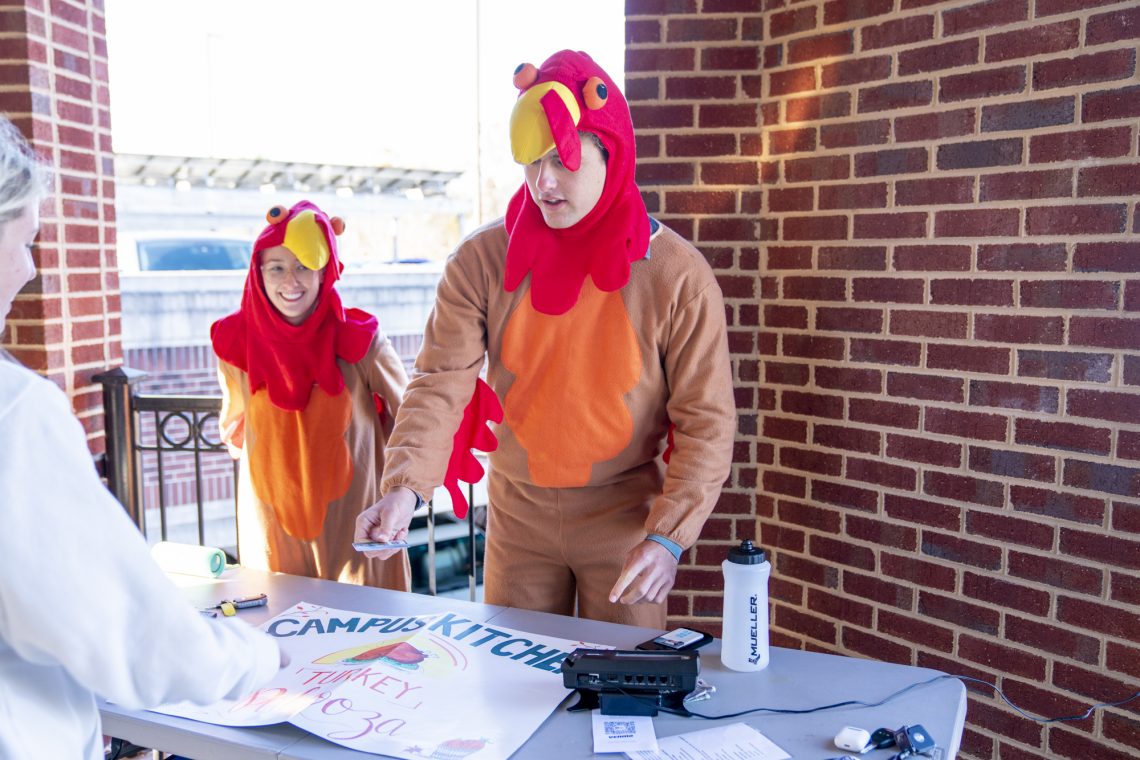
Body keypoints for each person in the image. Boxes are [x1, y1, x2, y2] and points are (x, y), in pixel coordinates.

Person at [357, 50, 736, 628]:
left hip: (626, 517)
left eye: (562, 159)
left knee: (621, 692)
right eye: (531, 162)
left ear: (611, 153)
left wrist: (669, 537)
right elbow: (440, 382)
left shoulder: (678, 274)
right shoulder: (479, 260)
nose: (543, 182)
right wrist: (404, 489)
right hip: (516, 515)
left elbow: (707, 419)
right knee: (512, 687)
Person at [0, 117, 283, 760]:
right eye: (26, 243)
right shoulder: (15, 414)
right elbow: (133, 639)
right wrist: (264, 658)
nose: (28, 271)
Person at [211, 200, 412, 590]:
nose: (291, 281)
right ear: (258, 273)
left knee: (364, 635)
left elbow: (409, 415)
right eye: (277, 268)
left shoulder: (360, 339)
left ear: (325, 271)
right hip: (271, 521)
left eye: (304, 265)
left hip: (354, 519)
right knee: (278, 623)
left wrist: (403, 490)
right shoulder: (234, 343)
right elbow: (234, 425)